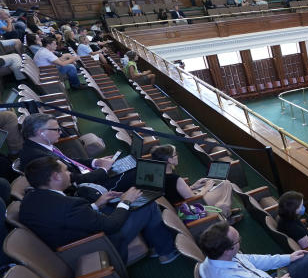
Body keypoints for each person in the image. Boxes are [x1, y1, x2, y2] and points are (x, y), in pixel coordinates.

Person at [20, 156, 178, 264]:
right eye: (66, 171)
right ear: (56, 177)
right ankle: (166, 251)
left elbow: (71, 217)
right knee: (147, 205)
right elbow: (111, 226)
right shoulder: (67, 206)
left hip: (74, 239)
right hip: (97, 245)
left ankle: (156, 246)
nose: (70, 174)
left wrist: (97, 204)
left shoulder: (29, 199)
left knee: (116, 205)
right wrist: (126, 201)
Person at [19, 113, 117, 188]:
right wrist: (103, 170)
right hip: (85, 187)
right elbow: (74, 180)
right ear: (41, 133)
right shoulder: (38, 157)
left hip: (86, 176)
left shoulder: (41, 146)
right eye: (56, 129)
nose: (60, 132)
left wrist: (96, 162)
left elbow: (69, 161)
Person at [145, 145, 233, 211]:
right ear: (170, 160)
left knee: (215, 188)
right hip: (192, 208)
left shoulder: (156, 175)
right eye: (176, 154)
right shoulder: (175, 179)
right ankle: (223, 213)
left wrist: (193, 187)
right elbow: (194, 200)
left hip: (180, 205)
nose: (177, 156)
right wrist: (206, 188)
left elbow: (173, 192)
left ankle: (223, 209)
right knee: (226, 184)